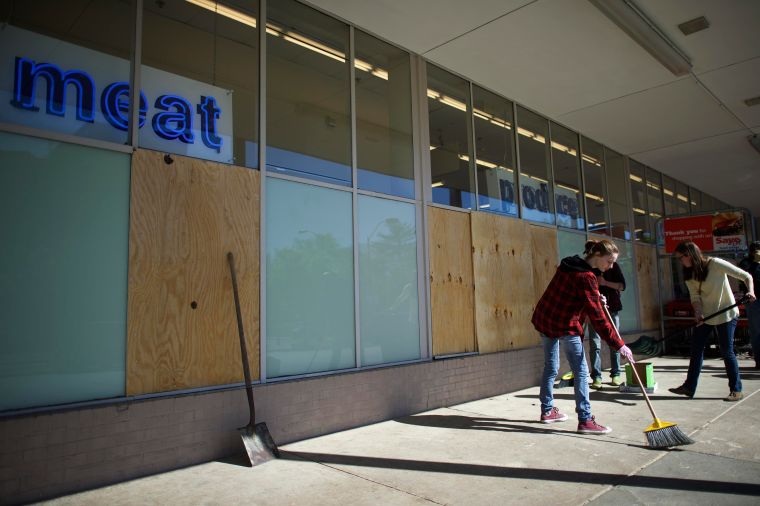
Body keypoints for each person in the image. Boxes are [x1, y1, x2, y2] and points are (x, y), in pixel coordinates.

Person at [532, 239, 635, 434]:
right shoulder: (586, 277)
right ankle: (585, 420)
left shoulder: (569, 264)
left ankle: (547, 411)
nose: (611, 266)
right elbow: (598, 318)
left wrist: (595, 295)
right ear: (597, 256)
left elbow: (572, 293)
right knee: (581, 371)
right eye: (609, 261)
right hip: (564, 324)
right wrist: (619, 344)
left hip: (545, 319)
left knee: (550, 367)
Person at [668, 240, 756, 401]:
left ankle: (736, 390)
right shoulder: (689, 275)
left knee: (726, 351)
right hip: (707, 317)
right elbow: (695, 297)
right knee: (696, 350)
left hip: (727, 314)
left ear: (689, 255)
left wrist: (750, 291)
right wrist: (698, 313)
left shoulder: (715, 264)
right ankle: (689, 387)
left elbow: (745, 276)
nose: (680, 261)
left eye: (680, 258)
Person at [586, 256, 626, 389]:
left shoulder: (613, 267)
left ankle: (616, 373)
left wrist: (604, 283)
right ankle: (596, 376)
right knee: (594, 343)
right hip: (595, 311)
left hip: (612, 309)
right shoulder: (589, 270)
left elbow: (621, 286)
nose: (608, 265)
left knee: (614, 341)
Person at [738, 241, 760, 368]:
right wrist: (756, 264)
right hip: (754, 301)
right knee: (756, 331)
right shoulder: (746, 263)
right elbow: (746, 278)